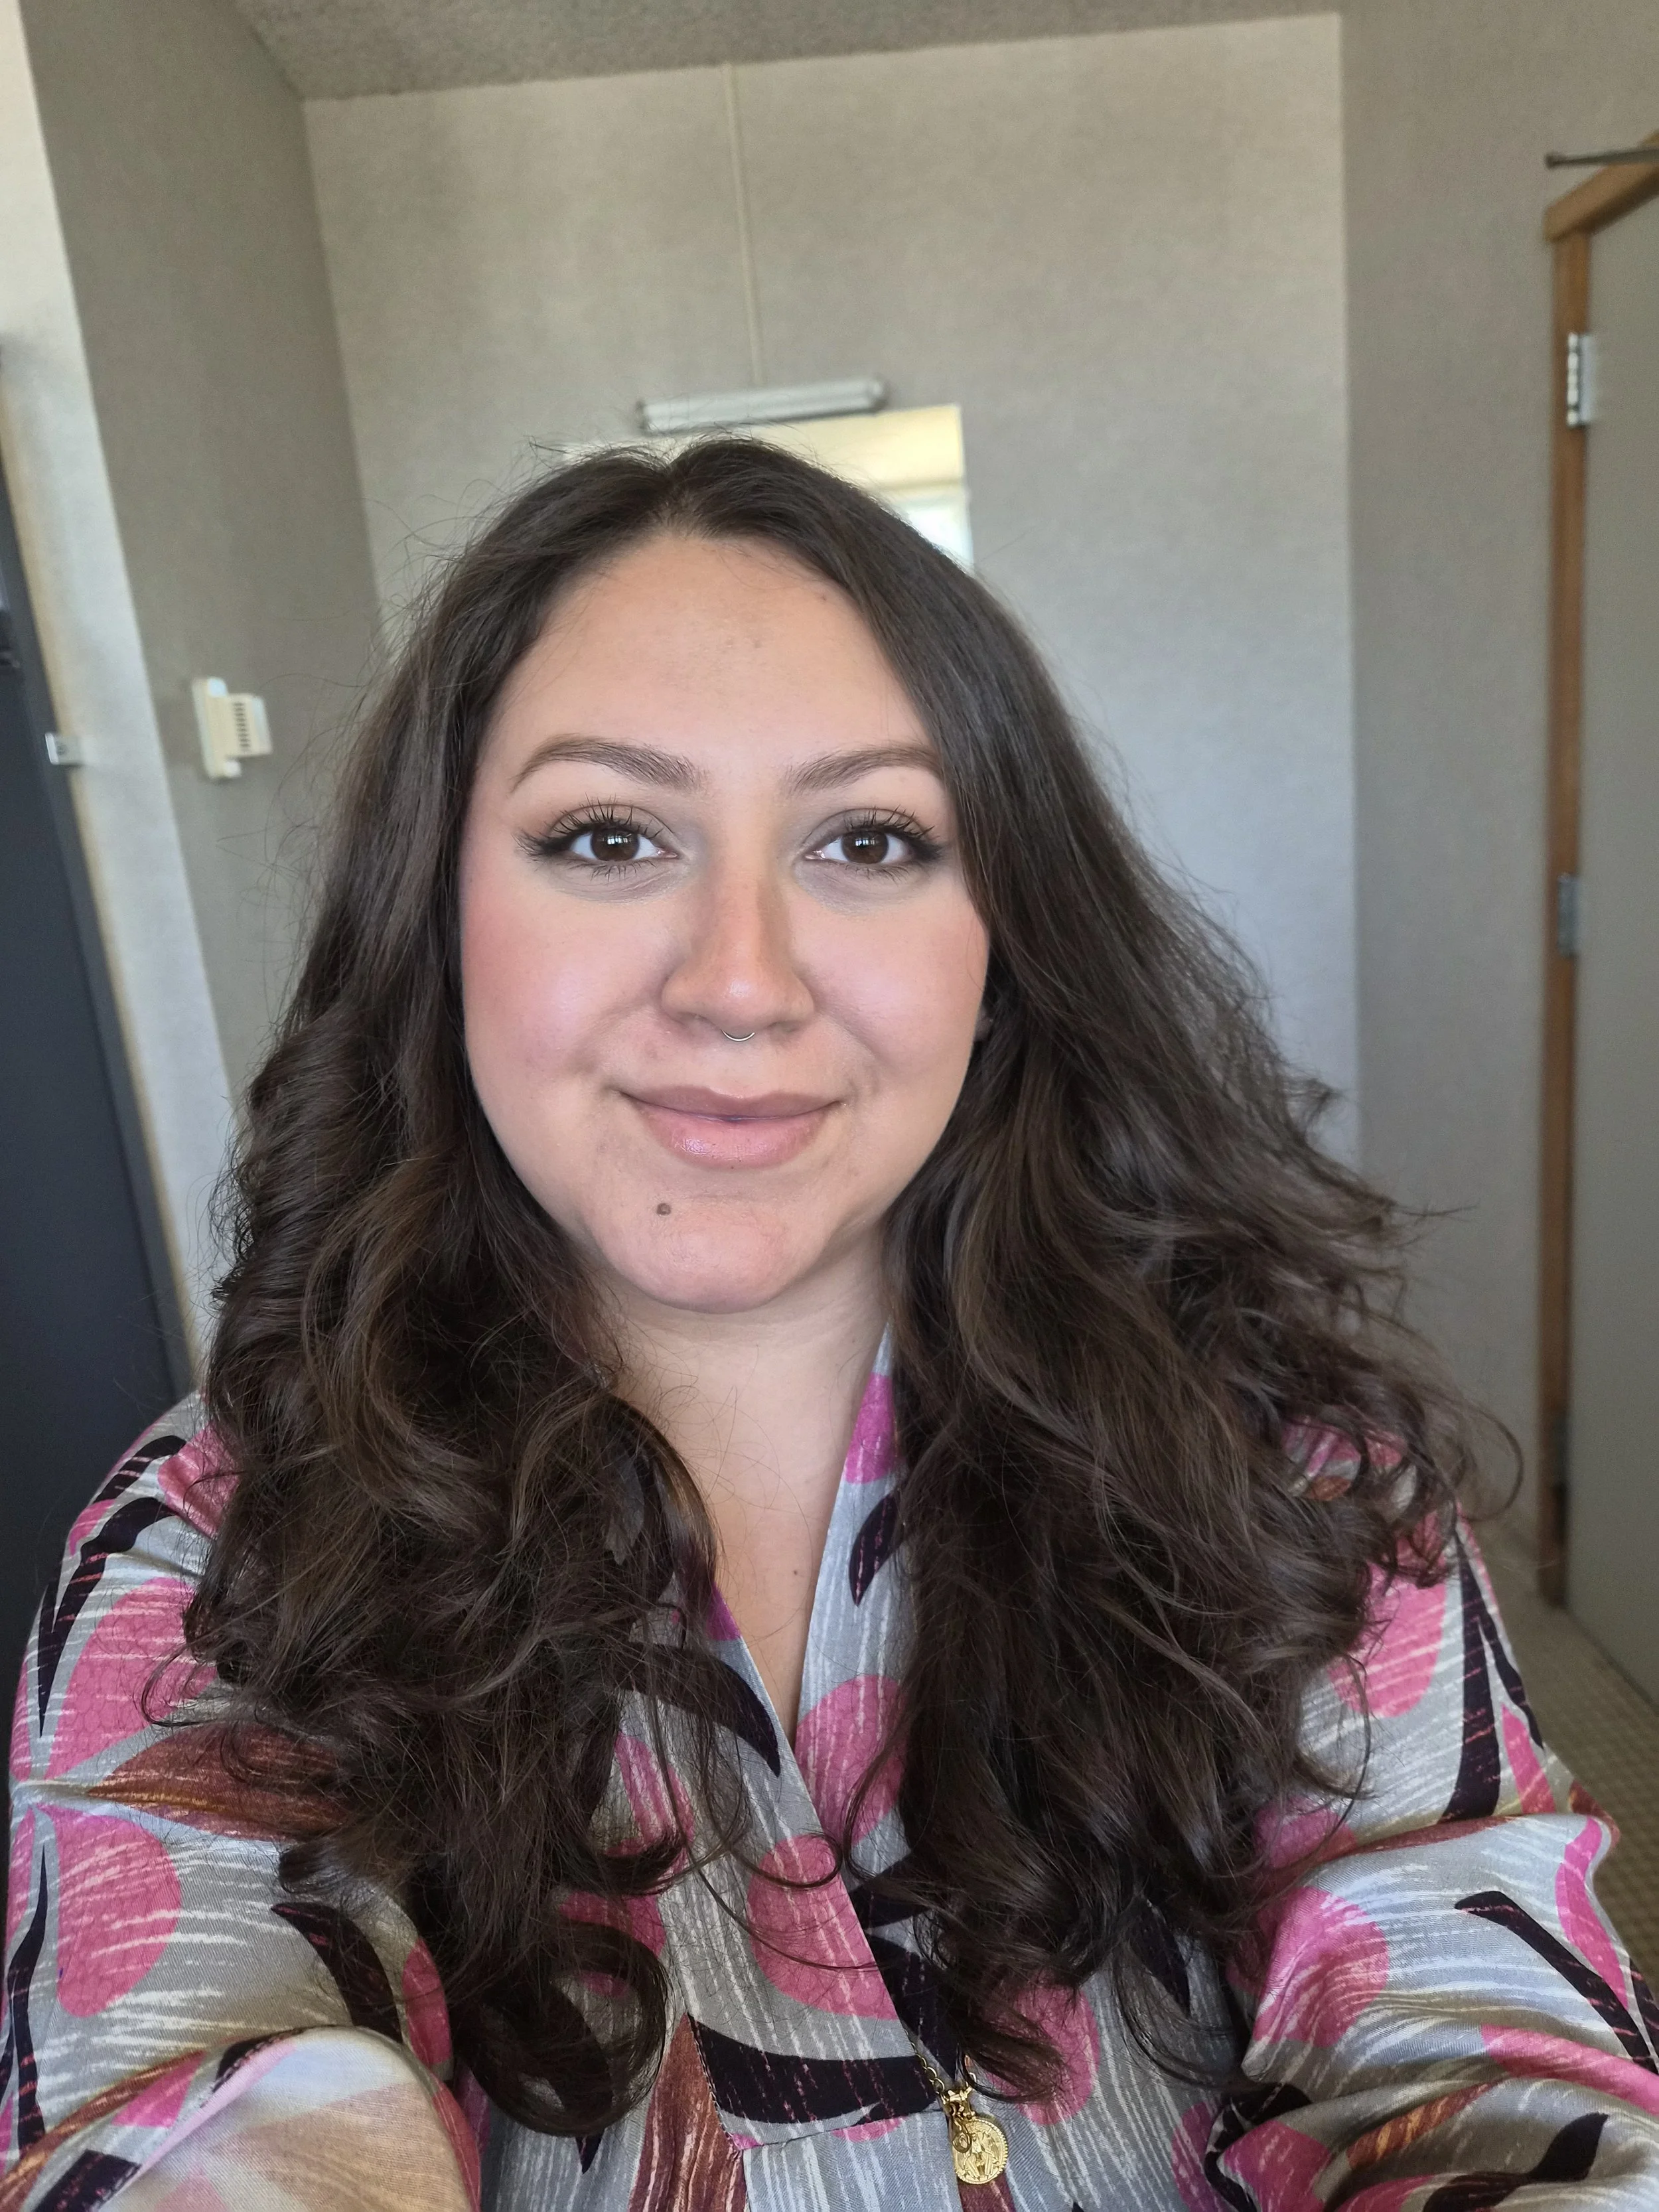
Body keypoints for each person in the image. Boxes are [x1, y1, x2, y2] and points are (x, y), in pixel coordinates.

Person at [5, 441, 1656, 2212]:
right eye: (608, 836)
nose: (739, 977)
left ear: (1002, 939)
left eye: (869, 839)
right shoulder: (213, 1549)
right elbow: (202, 2099)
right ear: (438, 915)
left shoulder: (1296, 1474)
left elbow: (1471, 2046)